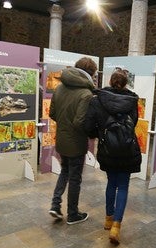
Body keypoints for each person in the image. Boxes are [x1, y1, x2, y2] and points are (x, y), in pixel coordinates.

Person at [84, 70, 141, 244]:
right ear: (125, 84)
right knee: (123, 186)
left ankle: (108, 219)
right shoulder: (132, 102)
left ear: (110, 81)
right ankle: (116, 225)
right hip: (127, 150)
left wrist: (100, 135)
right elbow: (133, 124)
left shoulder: (98, 100)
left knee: (111, 183)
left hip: (107, 149)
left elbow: (88, 126)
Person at [48, 57, 97, 225]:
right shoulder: (86, 94)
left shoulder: (60, 88)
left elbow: (52, 114)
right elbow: (79, 122)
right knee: (75, 178)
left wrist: (64, 123)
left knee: (64, 172)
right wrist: (92, 132)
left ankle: (55, 205)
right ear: (90, 74)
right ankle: (73, 214)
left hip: (61, 139)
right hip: (76, 142)